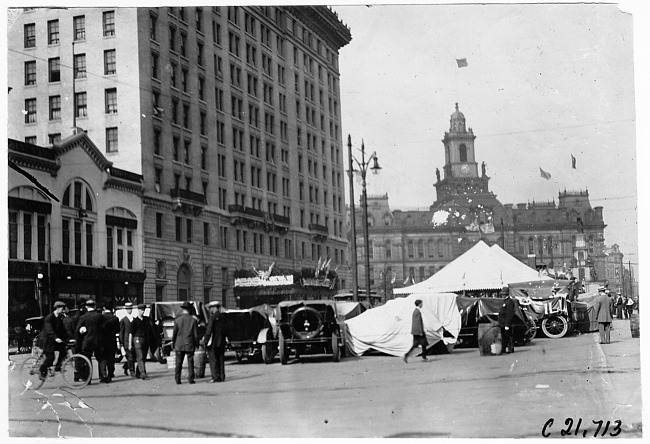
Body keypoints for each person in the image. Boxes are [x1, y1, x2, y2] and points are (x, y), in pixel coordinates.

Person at [38, 301, 69, 379]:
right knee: (50, 358)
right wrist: (56, 338)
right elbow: (49, 330)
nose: (64, 310)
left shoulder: (59, 317)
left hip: (53, 340)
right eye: (62, 308)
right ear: (57, 308)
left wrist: (69, 338)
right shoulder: (49, 318)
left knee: (63, 351)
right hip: (46, 341)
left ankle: (57, 367)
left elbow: (62, 330)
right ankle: (42, 371)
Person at [77, 300, 105, 384]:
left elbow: (78, 330)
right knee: (101, 359)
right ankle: (103, 376)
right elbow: (104, 327)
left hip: (87, 341)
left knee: (87, 360)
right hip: (98, 341)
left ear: (86, 307)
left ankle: (88, 378)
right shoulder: (100, 316)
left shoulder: (83, 317)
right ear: (94, 306)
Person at [172, 301, 199, 384]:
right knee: (190, 362)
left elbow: (174, 334)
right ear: (189, 309)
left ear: (182, 309)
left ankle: (177, 379)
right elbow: (195, 335)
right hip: (189, 343)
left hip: (179, 344)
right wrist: (196, 344)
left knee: (178, 362)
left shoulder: (177, 320)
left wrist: (173, 344)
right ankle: (191, 379)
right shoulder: (193, 320)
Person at [203, 301, 228, 382]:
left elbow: (209, 331)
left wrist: (205, 342)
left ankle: (215, 377)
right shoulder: (223, 317)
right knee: (221, 359)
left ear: (214, 308)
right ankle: (222, 376)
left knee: (213, 360)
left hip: (213, 342)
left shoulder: (212, 318)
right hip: (222, 341)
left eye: (210, 308)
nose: (210, 310)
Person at [130, 304, 151, 380]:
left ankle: (138, 372)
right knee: (140, 356)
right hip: (137, 339)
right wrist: (130, 344)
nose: (142, 312)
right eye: (141, 310)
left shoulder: (146, 320)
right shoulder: (134, 321)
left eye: (143, 310)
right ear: (138, 310)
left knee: (143, 357)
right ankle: (143, 373)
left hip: (145, 340)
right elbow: (131, 333)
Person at [99, 304, 120, 383]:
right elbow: (118, 330)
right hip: (112, 340)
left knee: (103, 358)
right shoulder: (115, 318)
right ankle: (110, 375)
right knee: (111, 359)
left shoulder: (101, 317)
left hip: (103, 340)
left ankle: (103, 375)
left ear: (104, 308)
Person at [498, 287, 516, 354]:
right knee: (504, 337)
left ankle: (510, 349)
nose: (503, 295)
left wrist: (507, 324)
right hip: (503, 322)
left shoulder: (509, 302)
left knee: (508, 336)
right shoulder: (505, 301)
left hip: (506, 323)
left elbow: (510, 313)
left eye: (504, 294)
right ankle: (504, 349)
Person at [119, 302, 135, 377]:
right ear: (126, 310)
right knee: (130, 357)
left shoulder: (134, 319)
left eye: (131, 309)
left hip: (133, 341)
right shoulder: (123, 320)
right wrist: (121, 343)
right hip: (126, 341)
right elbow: (121, 332)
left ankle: (126, 366)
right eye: (128, 309)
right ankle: (132, 371)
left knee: (133, 357)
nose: (130, 310)